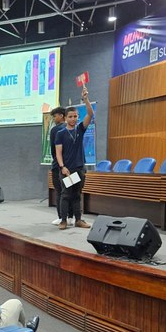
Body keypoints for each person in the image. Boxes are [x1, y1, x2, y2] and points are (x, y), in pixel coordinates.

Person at [55, 90, 93, 230]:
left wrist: (86, 99)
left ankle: (78, 220)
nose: (73, 119)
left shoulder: (80, 129)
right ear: (65, 118)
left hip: (79, 168)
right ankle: (63, 221)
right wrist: (62, 167)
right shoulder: (60, 134)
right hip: (67, 170)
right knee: (65, 195)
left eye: (75, 116)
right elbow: (58, 152)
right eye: (70, 116)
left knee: (77, 195)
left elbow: (90, 114)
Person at [48, 106, 67, 225]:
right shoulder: (72, 128)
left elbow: (53, 150)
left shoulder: (55, 130)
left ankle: (61, 217)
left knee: (59, 191)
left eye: (55, 116)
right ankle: (71, 217)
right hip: (70, 167)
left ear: (61, 115)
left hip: (58, 167)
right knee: (70, 191)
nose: (54, 119)